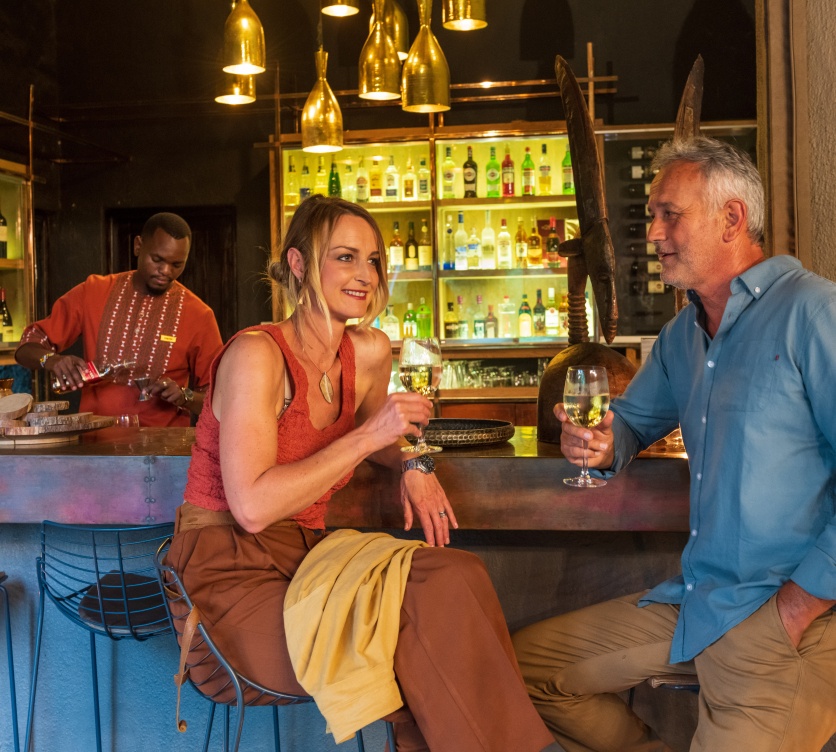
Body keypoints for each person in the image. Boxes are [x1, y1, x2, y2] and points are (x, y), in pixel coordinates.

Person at [165, 195, 557, 751]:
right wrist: (373, 437)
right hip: (228, 573)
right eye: (345, 257)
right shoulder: (257, 355)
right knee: (417, 644)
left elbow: (380, 440)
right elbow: (251, 506)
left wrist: (413, 462)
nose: (365, 275)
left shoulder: (368, 352)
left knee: (455, 575)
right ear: (299, 265)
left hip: (309, 559)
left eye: (373, 261)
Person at [513, 137, 836, 752]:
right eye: (651, 215)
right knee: (527, 669)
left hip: (784, 619)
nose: (653, 233)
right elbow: (630, 425)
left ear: (731, 218)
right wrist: (601, 444)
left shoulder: (813, 312)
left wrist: (796, 611)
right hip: (697, 603)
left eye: (670, 215)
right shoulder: (683, 334)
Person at [15, 212, 223, 426]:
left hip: (163, 451)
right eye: (157, 260)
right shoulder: (94, 291)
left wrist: (184, 397)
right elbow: (27, 346)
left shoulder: (199, 315)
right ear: (138, 246)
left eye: (177, 264)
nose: (165, 271)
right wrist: (51, 360)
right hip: (95, 446)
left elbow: (219, 400)